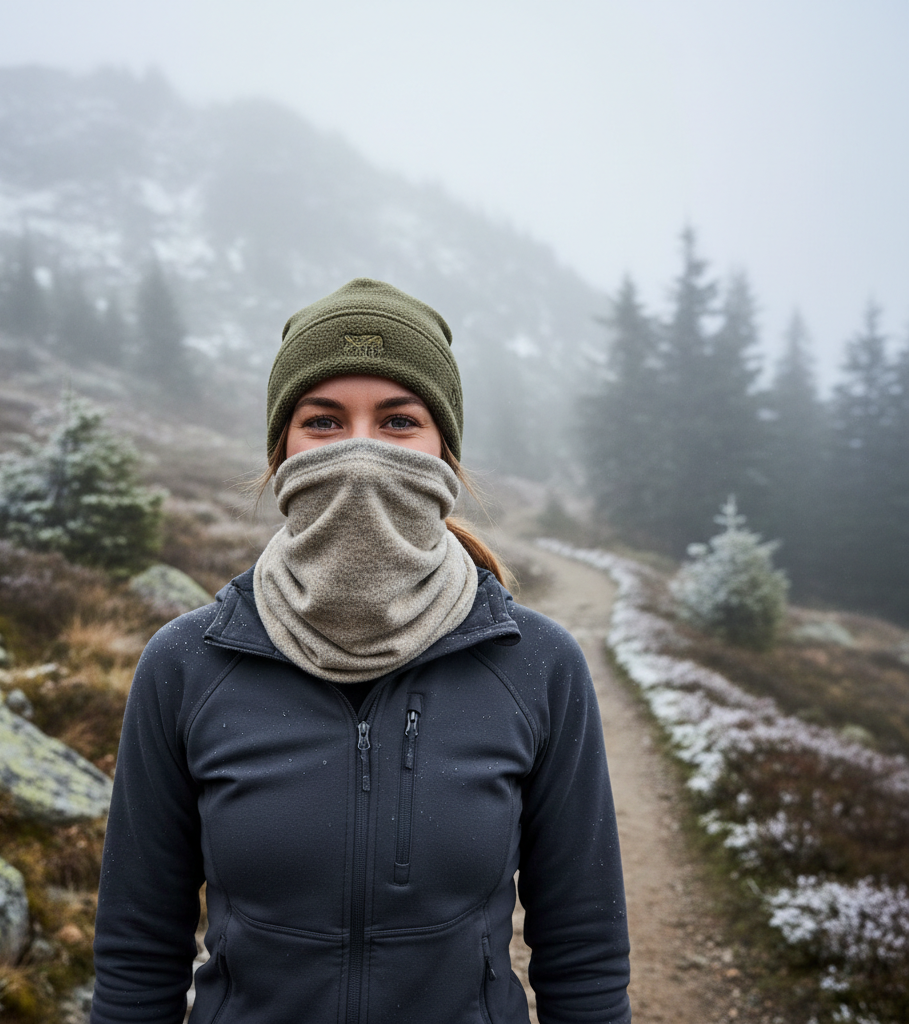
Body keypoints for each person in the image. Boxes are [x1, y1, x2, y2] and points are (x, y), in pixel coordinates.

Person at [91, 279, 631, 1024]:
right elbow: (137, 951)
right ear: (281, 448)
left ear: (445, 447)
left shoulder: (539, 666)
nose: (360, 451)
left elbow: (585, 953)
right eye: (323, 420)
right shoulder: (185, 665)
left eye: (399, 420)